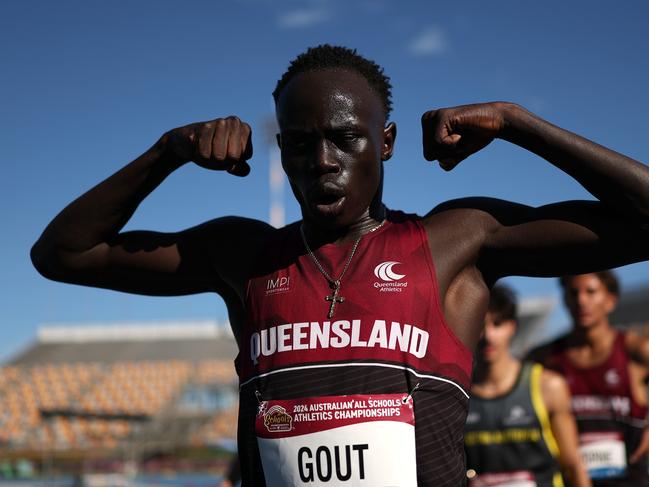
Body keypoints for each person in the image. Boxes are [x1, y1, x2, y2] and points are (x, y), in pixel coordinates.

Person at [31, 44, 649, 486]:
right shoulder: (244, 256)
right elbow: (62, 254)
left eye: (346, 138)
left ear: (386, 142)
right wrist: (166, 153)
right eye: (300, 145)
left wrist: (519, 123)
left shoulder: (453, 241)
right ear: (283, 154)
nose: (323, 161)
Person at [529, 272, 649, 486]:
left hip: (633, 477)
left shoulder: (636, 349)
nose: (581, 300)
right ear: (564, 299)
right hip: (572, 479)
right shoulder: (544, 358)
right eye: (573, 293)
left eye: (590, 292)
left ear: (611, 300)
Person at [465, 285, 591, 487]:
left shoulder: (548, 386)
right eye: (480, 326)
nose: (488, 335)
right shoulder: (457, 393)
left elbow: (573, 466)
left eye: (497, 324)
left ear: (512, 326)